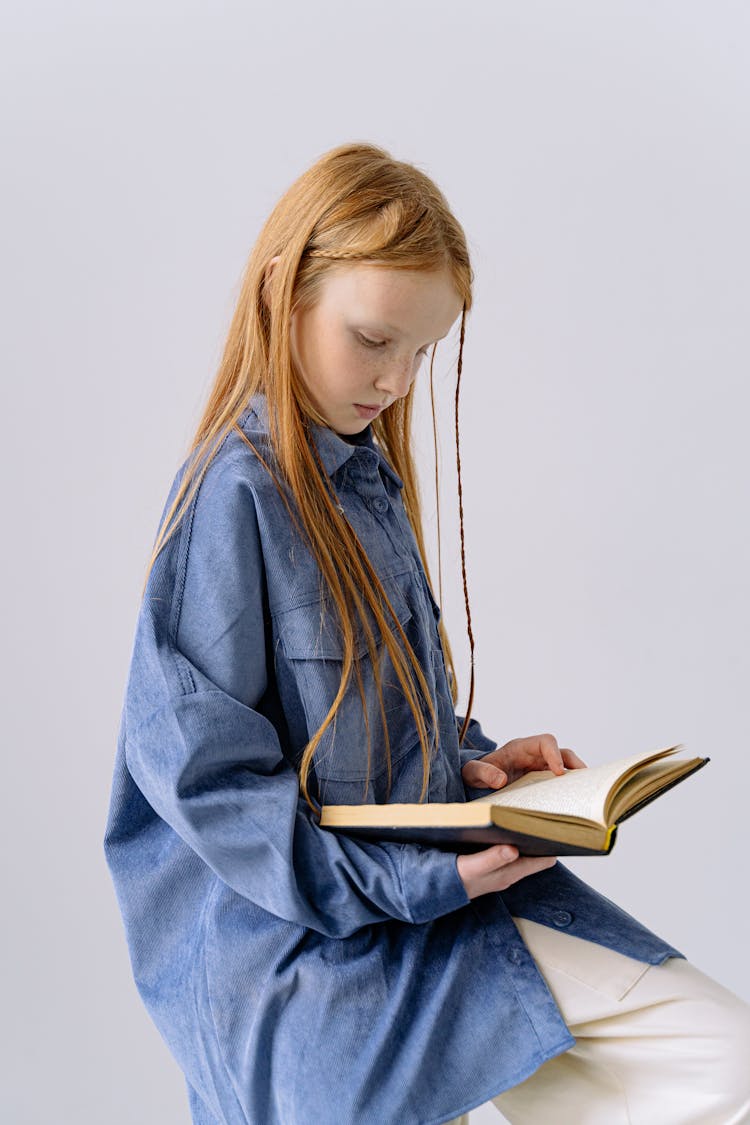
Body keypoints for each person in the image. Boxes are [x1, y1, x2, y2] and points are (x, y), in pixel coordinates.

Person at [103, 141, 750, 1125]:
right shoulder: (230, 500)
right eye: (374, 339)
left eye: (421, 351)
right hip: (301, 953)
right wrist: (426, 874)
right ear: (285, 292)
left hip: (426, 901)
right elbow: (217, 794)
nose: (397, 379)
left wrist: (472, 766)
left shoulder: (361, 481)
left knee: (718, 1062)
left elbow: (356, 734)